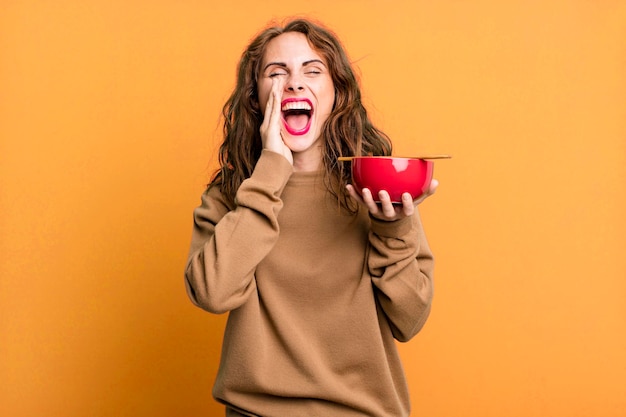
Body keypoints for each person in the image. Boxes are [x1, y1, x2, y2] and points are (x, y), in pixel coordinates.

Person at [185, 17, 438, 417]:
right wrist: (270, 171)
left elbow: (409, 320)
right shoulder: (231, 195)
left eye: (312, 70)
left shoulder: (376, 193)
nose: (294, 83)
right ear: (257, 96)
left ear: (337, 93)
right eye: (276, 71)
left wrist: (392, 229)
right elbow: (212, 292)